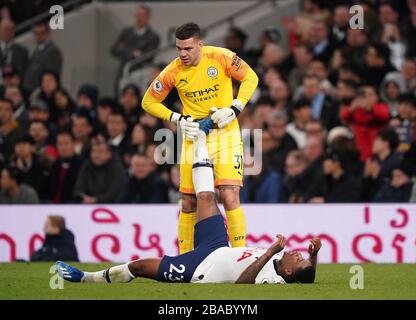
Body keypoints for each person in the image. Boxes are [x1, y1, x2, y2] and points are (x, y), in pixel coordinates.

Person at [56, 130, 321, 285]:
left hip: (202, 268)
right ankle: (201, 142)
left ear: (287, 272)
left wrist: (271, 251)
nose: (296, 253)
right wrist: (314, 255)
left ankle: (86, 278)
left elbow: (243, 282)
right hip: (218, 246)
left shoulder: (272, 281)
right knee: (206, 197)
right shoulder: (287, 267)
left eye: (297, 258)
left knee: (139, 267)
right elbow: (306, 276)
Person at [141, 22, 259, 253]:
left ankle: (239, 256)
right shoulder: (173, 71)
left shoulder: (221, 57)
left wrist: (235, 108)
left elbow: (251, 78)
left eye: (188, 49)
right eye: (179, 49)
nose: (183, 54)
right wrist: (178, 118)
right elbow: (148, 102)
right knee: (188, 201)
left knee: (229, 193)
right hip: (194, 139)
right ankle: (185, 259)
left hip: (226, 135)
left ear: (200, 45)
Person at [23, 22, 62, 94]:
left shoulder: (52, 51)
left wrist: (40, 91)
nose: (38, 36)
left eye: (42, 33)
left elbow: (51, 75)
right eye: (36, 33)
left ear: (48, 33)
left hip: (41, 92)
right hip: (30, 91)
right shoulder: (37, 50)